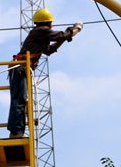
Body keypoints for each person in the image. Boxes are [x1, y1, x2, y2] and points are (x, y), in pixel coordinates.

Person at [7, 7, 82, 138]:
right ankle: (16, 133)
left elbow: (49, 50)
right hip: (20, 68)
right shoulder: (41, 31)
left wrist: (63, 39)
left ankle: (17, 132)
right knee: (19, 100)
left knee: (20, 100)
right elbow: (63, 35)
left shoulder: (40, 34)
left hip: (21, 69)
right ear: (49, 23)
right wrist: (76, 29)